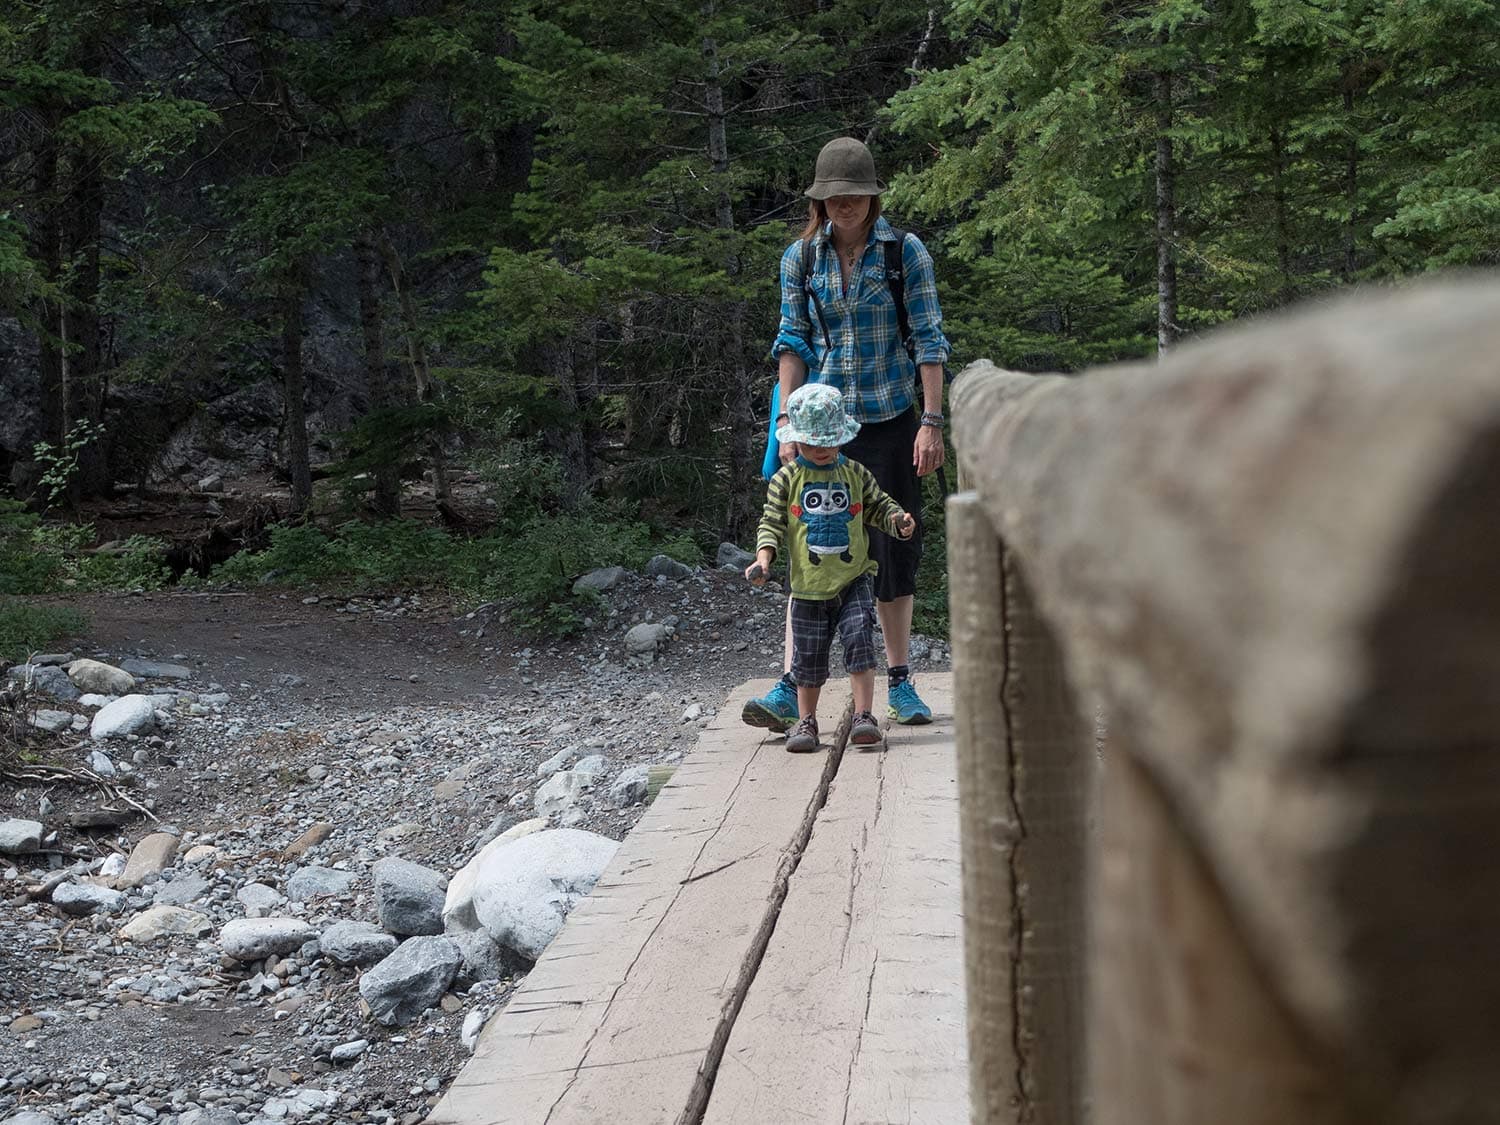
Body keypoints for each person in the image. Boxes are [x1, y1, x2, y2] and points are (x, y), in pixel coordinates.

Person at [742, 136, 950, 734]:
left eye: (855, 195)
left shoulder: (904, 253)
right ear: (820, 201)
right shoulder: (801, 259)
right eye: (834, 197)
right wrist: (785, 425)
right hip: (821, 427)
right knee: (811, 546)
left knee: (892, 550)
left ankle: (901, 681)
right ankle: (790, 685)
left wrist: (931, 422)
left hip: (891, 421)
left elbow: (929, 339)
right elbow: (792, 342)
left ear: (872, 195)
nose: (845, 206)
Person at [746, 383, 916, 752]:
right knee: (807, 656)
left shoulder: (854, 473)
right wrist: (764, 558)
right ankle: (806, 721)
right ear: (798, 440)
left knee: (859, 642)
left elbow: (877, 505)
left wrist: (897, 520)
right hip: (807, 585)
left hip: (853, 577)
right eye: (811, 443)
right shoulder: (786, 479)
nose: (821, 450)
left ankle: (864, 716)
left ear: (842, 438)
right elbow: (771, 522)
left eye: (828, 442)